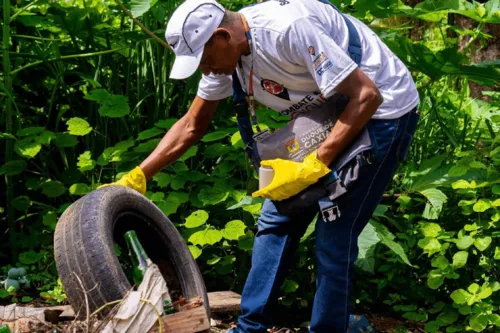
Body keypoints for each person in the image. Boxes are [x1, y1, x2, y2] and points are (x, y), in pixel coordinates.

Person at [102, 0, 420, 332]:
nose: (205, 70)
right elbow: (192, 126)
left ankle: (329, 328)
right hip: (330, 112)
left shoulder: (287, 30)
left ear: (223, 35)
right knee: (275, 221)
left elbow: (367, 95)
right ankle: (250, 328)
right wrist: (138, 175)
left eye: (205, 60)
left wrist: (316, 164)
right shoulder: (228, 58)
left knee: (334, 232)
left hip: (383, 108)